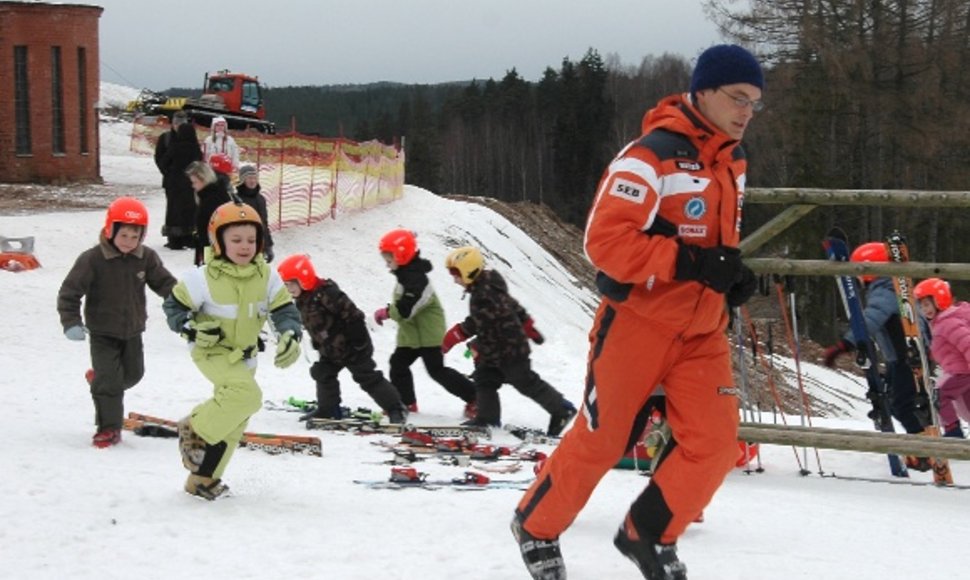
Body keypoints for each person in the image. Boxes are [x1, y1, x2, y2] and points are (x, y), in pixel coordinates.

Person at [510, 44, 762, 580]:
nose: (746, 111)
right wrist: (690, 262)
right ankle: (535, 524)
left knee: (716, 446)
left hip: (702, 332)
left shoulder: (734, 161)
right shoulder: (650, 155)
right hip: (637, 326)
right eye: (738, 98)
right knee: (605, 439)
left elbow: (715, 241)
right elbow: (604, 244)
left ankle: (646, 535)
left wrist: (730, 275)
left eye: (754, 103)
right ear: (703, 92)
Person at [162, 201, 302, 500]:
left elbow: (284, 310)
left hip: (245, 356)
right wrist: (189, 327)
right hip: (212, 351)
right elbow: (174, 306)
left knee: (235, 421)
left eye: (251, 240)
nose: (245, 246)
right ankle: (195, 427)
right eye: (236, 239)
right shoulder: (201, 278)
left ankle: (203, 479)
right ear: (218, 240)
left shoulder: (268, 277)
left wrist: (290, 333)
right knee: (246, 397)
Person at [57, 197, 177, 448]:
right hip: (102, 332)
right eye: (124, 236)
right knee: (111, 382)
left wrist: (185, 300)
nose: (129, 243)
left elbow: (165, 284)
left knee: (133, 374)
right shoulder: (93, 259)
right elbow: (70, 292)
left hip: (132, 330)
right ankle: (108, 428)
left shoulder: (145, 257)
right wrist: (71, 322)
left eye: (135, 237)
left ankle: (101, 381)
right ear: (110, 230)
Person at [441, 246, 576, 435]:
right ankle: (487, 419)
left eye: (456, 274)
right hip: (500, 348)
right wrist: (526, 323)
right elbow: (511, 305)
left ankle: (562, 410)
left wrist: (458, 335)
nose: (454, 279)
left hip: (509, 350)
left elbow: (482, 324)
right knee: (485, 379)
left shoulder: (483, 295)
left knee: (525, 382)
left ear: (469, 271)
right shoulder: (489, 283)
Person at [277, 254, 408, 423]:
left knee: (367, 377)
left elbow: (353, 315)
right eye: (285, 286)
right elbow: (313, 324)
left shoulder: (326, 293)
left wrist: (359, 342)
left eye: (290, 284)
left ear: (303, 278)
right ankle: (328, 410)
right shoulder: (303, 300)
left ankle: (396, 408)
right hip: (330, 349)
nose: (289, 289)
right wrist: (318, 343)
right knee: (322, 373)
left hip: (353, 346)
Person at [822, 242, 930, 447]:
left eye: (860, 272)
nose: (859, 278)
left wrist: (845, 344)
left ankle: (922, 447)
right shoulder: (896, 288)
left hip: (904, 358)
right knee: (894, 401)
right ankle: (921, 440)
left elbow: (871, 318)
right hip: (900, 358)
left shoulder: (885, 290)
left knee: (901, 405)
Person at [373, 229, 477, 418]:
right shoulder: (405, 276)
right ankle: (406, 403)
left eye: (389, 261)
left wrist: (387, 312)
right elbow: (403, 303)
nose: (387, 266)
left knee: (437, 371)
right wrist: (389, 310)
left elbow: (407, 308)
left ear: (402, 256)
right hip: (412, 335)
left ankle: (475, 398)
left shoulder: (417, 279)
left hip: (429, 334)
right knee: (398, 365)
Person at [914, 277, 969, 438]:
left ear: (940, 300)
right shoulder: (942, 321)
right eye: (922, 306)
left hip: (961, 372)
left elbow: (967, 343)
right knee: (967, 407)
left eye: (927, 304)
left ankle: (953, 432)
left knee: (940, 395)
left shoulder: (947, 322)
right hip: (961, 371)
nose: (925, 310)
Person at [156, 114, 202, 249]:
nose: (178, 127)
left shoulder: (190, 140)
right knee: (174, 209)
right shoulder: (166, 138)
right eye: (177, 124)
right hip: (173, 181)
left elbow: (197, 159)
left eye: (181, 125)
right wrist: (168, 172)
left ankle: (187, 236)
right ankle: (174, 236)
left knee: (189, 209)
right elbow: (159, 158)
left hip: (188, 182)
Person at [186, 158, 232, 266]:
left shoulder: (213, 199)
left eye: (195, 182)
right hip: (210, 250)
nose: (193, 186)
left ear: (204, 179)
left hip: (215, 252)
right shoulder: (208, 195)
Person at [236, 165, 274, 263]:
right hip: (243, 245)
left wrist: (268, 246)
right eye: (249, 178)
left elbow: (264, 223)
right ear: (242, 180)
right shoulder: (237, 200)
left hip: (259, 244)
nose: (252, 181)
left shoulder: (261, 199)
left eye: (254, 178)